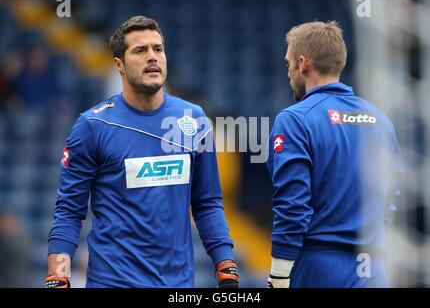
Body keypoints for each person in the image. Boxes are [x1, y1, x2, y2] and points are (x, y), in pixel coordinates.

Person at [45, 16, 239, 288]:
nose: (152, 57)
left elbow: (207, 203)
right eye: (140, 50)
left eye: (158, 49)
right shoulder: (92, 126)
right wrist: (58, 274)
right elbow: (69, 211)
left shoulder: (194, 120)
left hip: (178, 285)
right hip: (112, 282)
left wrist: (225, 264)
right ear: (119, 65)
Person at [266, 21, 404, 288]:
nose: (288, 72)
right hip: (374, 269)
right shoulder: (380, 119)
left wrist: (279, 275)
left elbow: (292, 206)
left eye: (289, 64)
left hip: (319, 267)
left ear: (303, 63)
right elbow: (394, 194)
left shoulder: (294, 120)